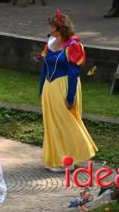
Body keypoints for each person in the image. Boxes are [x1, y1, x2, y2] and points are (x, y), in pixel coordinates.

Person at [39, 10, 97, 172]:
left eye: (53, 29)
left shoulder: (74, 45)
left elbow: (73, 73)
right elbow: (45, 66)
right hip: (50, 88)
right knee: (52, 124)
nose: (50, 32)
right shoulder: (51, 42)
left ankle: (69, 158)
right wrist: (41, 88)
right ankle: (58, 158)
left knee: (65, 122)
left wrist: (70, 96)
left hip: (64, 86)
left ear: (61, 29)